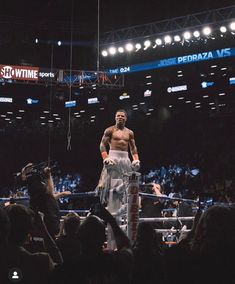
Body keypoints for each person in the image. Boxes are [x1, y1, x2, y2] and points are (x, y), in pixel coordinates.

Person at [98, 109, 140, 215]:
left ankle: (124, 209)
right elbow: (102, 145)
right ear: (115, 117)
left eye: (122, 116)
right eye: (118, 116)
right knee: (107, 184)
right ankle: (106, 207)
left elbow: (133, 148)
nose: (120, 117)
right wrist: (105, 158)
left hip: (125, 158)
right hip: (112, 157)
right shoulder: (109, 130)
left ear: (125, 118)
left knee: (127, 182)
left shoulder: (130, 133)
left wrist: (136, 159)